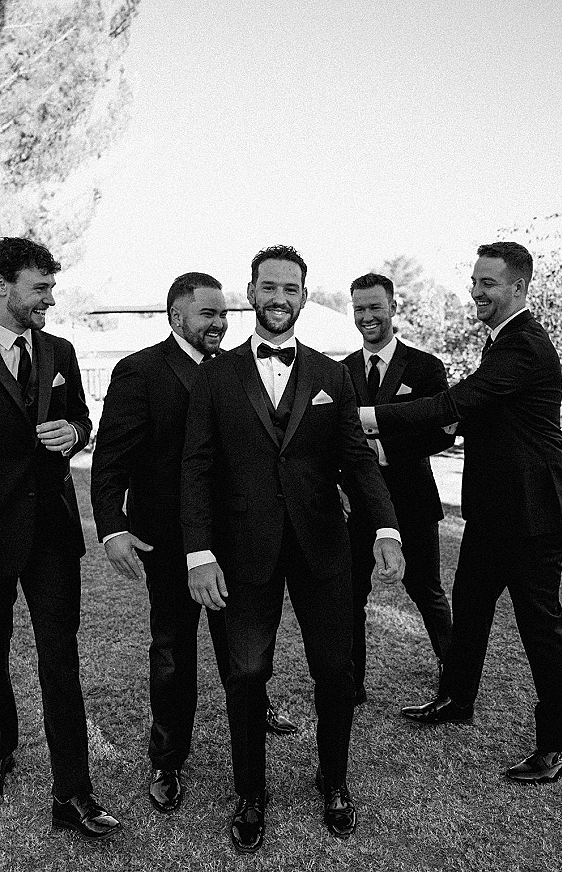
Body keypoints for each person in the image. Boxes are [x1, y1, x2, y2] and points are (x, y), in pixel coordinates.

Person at [181, 245, 405, 853]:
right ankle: (250, 793)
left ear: (305, 297)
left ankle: (334, 780)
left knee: (336, 670)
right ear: (250, 294)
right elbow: (196, 468)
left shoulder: (332, 375)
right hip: (242, 555)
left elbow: (357, 463)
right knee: (247, 673)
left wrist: (386, 529)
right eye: (268, 287)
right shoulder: (215, 376)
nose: (279, 298)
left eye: (291, 289)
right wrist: (199, 553)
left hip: (323, 552)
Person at [368, 242, 562, 784]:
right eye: (475, 281)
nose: (476, 291)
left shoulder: (523, 345)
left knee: (541, 626)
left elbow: (455, 404)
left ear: (519, 288)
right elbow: (478, 419)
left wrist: (364, 416)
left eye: (488, 283)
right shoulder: (500, 343)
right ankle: (457, 699)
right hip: (492, 513)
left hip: (534, 516)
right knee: (470, 605)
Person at [91, 272, 296, 814]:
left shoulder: (239, 368)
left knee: (245, 646)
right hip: (167, 542)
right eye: (208, 314)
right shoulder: (139, 371)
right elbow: (110, 457)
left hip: (239, 538)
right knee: (174, 651)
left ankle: (254, 714)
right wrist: (112, 527)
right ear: (176, 315)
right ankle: (167, 758)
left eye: (224, 314)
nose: (220, 323)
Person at [0, 237, 120, 838]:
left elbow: (84, 419)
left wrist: (73, 433)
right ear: (3, 288)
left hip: (50, 530)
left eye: (52, 287)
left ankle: (73, 793)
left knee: (60, 660)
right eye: (39, 288)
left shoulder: (61, 350)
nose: (50, 298)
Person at [343, 273, 453, 704]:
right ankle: (351, 684)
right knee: (351, 594)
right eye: (359, 309)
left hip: (412, 498)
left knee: (426, 589)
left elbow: (444, 432)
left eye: (374, 307)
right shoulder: (340, 371)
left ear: (393, 307)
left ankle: (453, 676)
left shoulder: (426, 367)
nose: (367, 317)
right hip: (357, 502)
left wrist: (385, 437)